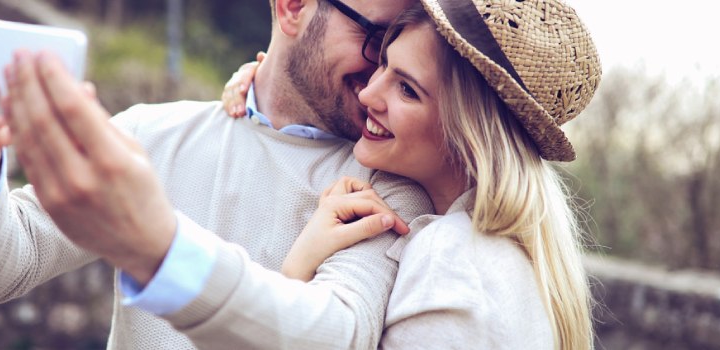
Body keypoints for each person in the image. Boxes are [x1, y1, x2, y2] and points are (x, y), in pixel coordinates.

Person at [0, 0, 435, 349]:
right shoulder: (151, 132)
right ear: (294, 7)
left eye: (398, 49)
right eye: (374, 38)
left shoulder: (391, 185)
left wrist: (157, 247)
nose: (383, 71)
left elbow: (337, 336)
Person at [225, 0, 601, 348]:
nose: (368, 94)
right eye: (383, 64)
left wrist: (294, 274)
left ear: (469, 133)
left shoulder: (452, 263)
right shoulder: (497, 252)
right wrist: (267, 83)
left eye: (406, 89)